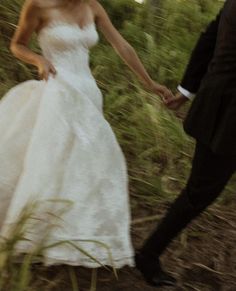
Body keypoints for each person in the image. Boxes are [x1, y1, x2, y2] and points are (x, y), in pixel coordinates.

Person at [0, 0, 173, 267]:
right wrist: (39, 59)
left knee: (83, 166)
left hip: (89, 93)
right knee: (53, 162)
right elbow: (17, 45)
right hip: (59, 91)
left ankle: (72, 234)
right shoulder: (37, 5)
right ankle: (33, 234)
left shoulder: (93, 5)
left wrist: (149, 83)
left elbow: (122, 46)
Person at [136, 0, 236, 287]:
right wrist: (187, 90)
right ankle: (148, 254)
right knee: (199, 192)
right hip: (228, 115)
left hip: (220, 104)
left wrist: (187, 89)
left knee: (200, 190)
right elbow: (213, 37)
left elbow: (209, 36)